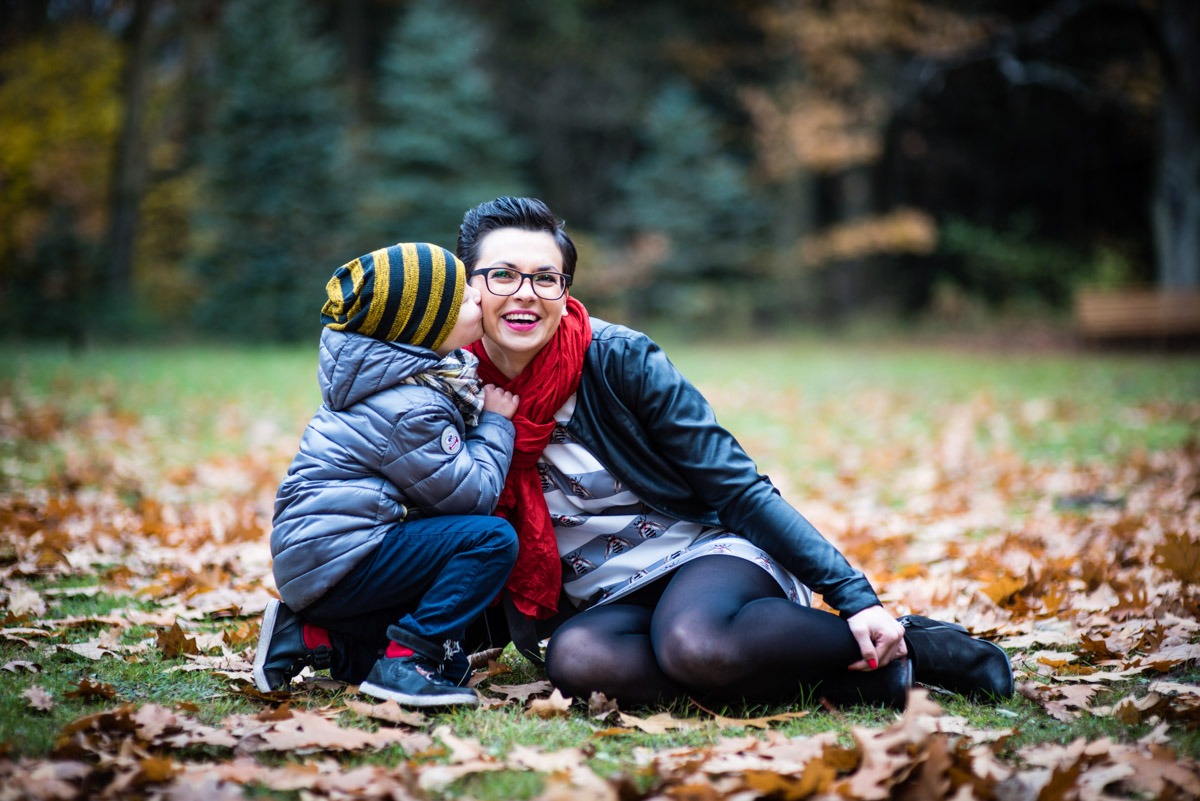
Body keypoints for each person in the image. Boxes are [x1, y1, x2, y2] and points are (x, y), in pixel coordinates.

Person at [455, 197, 1014, 709]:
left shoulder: (620, 360)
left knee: (695, 643)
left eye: (545, 278)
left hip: (706, 552)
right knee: (579, 660)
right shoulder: (451, 385)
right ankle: (870, 680)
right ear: (470, 287)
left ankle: (912, 642)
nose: (525, 293)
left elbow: (738, 488)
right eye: (502, 275)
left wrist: (855, 597)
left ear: (565, 290)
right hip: (608, 594)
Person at [253, 242, 521, 707]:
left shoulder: (409, 379)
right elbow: (472, 497)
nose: (477, 296)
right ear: (423, 327)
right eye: (460, 299)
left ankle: (312, 636)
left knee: (453, 663)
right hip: (343, 559)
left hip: (325, 561)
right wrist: (496, 424)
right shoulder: (409, 405)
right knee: (491, 538)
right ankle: (406, 662)